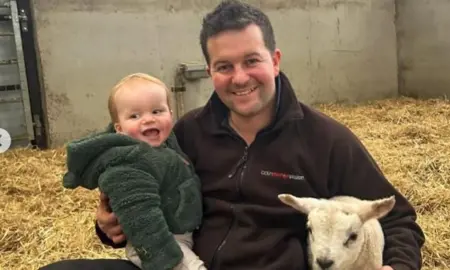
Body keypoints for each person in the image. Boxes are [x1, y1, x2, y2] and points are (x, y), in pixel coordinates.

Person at [41, 1, 425, 269]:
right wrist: (109, 229)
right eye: (224, 66)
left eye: (251, 61)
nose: (239, 78)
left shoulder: (326, 139)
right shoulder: (185, 133)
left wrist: (398, 266)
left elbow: (399, 219)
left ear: (274, 61)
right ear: (209, 71)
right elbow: (142, 200)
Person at [59, 73, 207, 270]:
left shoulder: (166, 147)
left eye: (157, 111)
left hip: (179, 236)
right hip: (159, 245)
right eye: (135, 116)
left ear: (171, 114)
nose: (148, 120)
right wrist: (163, 258)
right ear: (119, 128)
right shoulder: (128, 163)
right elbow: (139, 215)